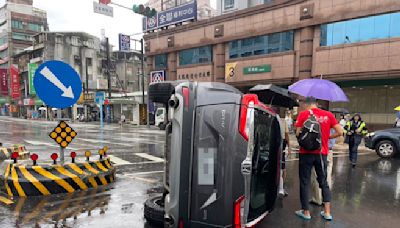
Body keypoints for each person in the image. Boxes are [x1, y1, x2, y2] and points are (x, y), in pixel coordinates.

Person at [295, 97, 342, 221]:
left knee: (304, 182)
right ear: (317, 103)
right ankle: (327, 212)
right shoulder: (328, 115)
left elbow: (298, 133)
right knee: (323, 181)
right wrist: (326, 137)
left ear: (306, 104)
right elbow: (340, 132)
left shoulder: (303, 114)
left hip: (305, 153)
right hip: (322, 153)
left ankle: (306, 212)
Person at [310, 128, 336, 206]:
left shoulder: (320, 121)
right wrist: (329, 137)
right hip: (329, 150)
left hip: (320, 151)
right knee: (327, 174)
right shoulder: (332, 123)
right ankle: (326, 198)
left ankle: (317, 198)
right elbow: (340, 132)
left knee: (316, 174)